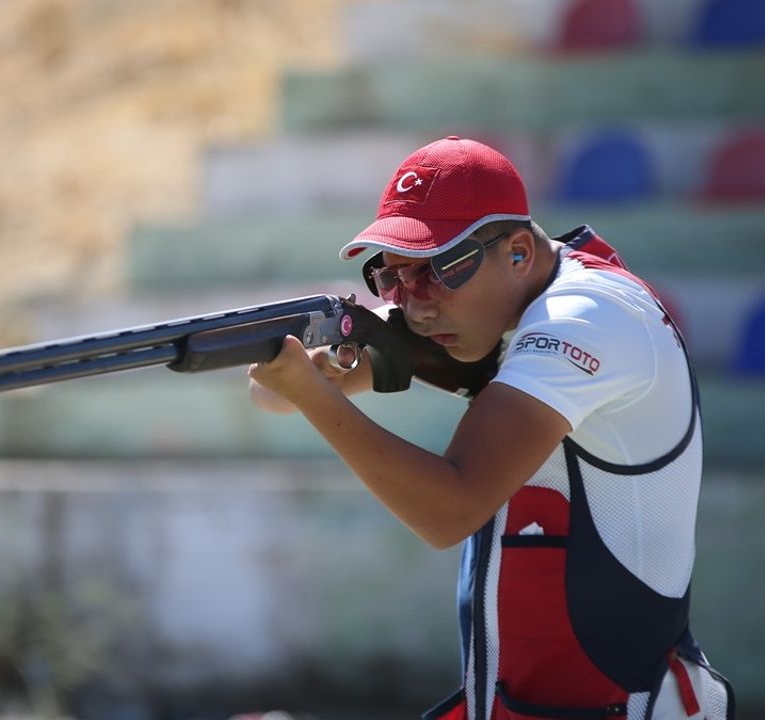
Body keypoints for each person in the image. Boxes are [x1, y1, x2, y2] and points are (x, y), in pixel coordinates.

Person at [247, 137, 734, 719]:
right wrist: (306, 369)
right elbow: (269, 397)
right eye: (392, 276)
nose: (416, 305)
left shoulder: (588, 319)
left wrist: (309, 390)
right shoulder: (512, 304)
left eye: (437, 273)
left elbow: (449, 510)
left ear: (520, 252)